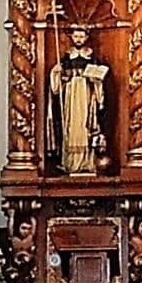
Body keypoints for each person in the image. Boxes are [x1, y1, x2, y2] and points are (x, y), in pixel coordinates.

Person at [49, 27, 113, 175]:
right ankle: (70, 163)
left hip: (87, 95)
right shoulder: (65, 59)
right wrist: (57, 74)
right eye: (76, 36)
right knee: (72, 127)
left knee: (87, 125)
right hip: (71, 96)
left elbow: (99, 82)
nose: (78, 39)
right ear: (72, 37)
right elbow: (57, 85)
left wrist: (95, 80)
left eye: (81, 36)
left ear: (85, 38)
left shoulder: (92, 59)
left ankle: (88, 162)